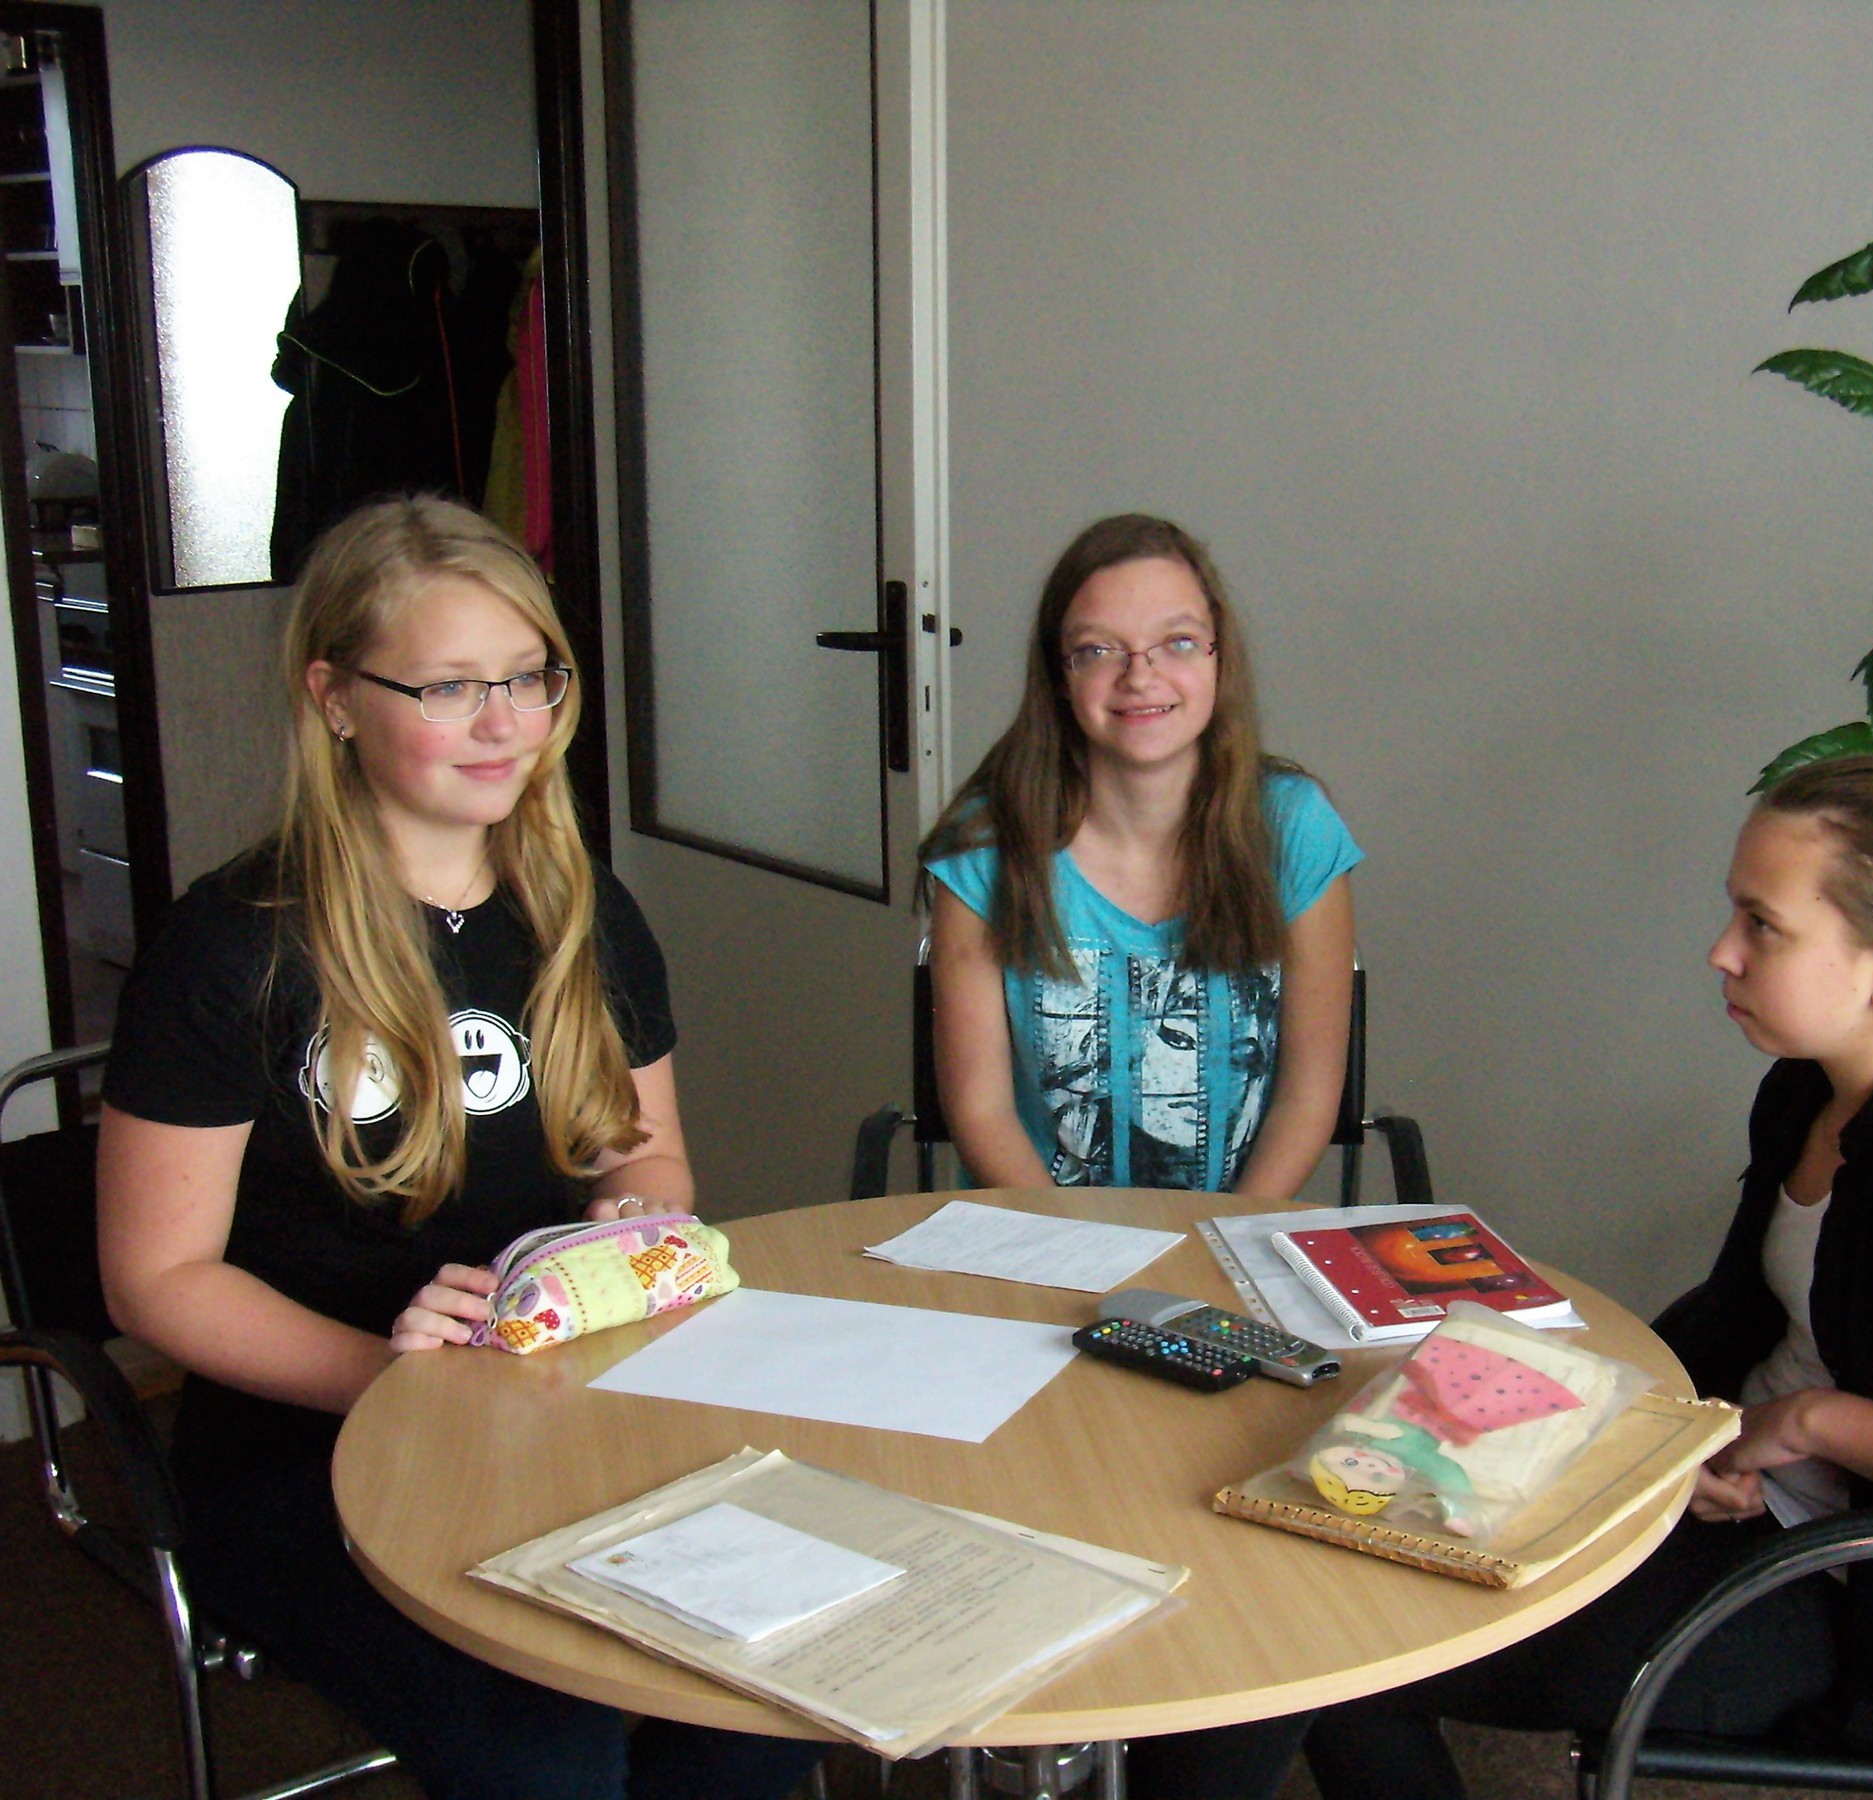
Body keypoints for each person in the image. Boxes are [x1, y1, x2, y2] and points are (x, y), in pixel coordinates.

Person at [95, 497, 826, 1800]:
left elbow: (649, 1163)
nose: (505, 725)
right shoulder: (232, 947)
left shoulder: (582, 909)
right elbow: (156, 1282)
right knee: (544, 1743)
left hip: (569, 1412)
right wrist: (389, 1377)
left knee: (771, 1675)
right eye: (447, 687)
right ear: (334, 699)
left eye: (529, 677)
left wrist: (628, 1234)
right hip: (313, 1448)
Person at [1286, 752, 1873, 1800]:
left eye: (1763, 925)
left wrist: (1810, 1423)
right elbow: (1738, 1315)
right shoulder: (1808, 1090)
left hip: (1864, 1603)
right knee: (1346, 1527)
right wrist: (1637, 1430)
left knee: (1342, 1657)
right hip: (1740, 1492)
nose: (1722, 951)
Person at [920, 512, 1361, 1199]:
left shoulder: (1294, 829)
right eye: (1099, 650)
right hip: (1033, 1233)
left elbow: (1307, 1099)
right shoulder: (987, 845)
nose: (1140, 676)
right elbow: (980, 1111)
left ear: (1218, 657)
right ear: (1059, 674)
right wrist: (1072, 1247)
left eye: (1177, 642)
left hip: (1236, 1233)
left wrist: (1223, 1240)